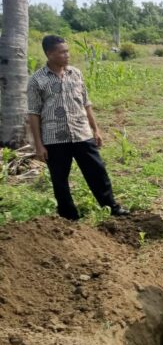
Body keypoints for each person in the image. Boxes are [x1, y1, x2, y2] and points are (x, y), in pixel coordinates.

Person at [27, 35, 129, 221]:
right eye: (62, 52)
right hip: (55, 138)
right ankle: (69, 217)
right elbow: (33, 114)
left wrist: (95, 130)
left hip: (82, 133)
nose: (67, 55)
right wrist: (38, 145)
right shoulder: (37, 80)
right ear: (49, 54)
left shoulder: (76, 73)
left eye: (67, 51)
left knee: (98, 172)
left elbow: (86, 103)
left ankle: (111, 207)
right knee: (60, 181)